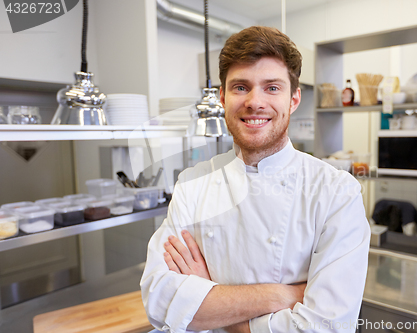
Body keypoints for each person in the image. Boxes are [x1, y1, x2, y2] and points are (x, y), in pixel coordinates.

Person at [140, 26, 370, 333]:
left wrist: (209, 302)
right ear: (222, 97)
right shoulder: (193, 183)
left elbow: (325, 327)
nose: (254, 102)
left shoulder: (336, 192)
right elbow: (158, 301)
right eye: (240, 87)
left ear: (294, 99)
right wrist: (284, 295)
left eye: (272, 88)